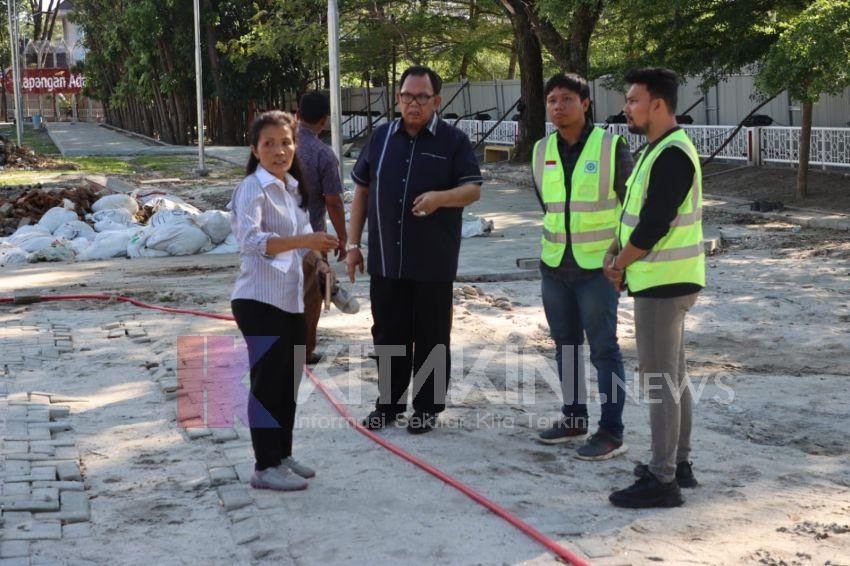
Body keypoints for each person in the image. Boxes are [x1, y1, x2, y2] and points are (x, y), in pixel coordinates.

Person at [346, 65, 483, 434]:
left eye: (422, 97)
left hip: (433, 262)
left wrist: (442, 198)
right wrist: (353, 245)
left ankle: (426, 408)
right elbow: (361, 191)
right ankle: (388, 404)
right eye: (407, 96)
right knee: (387, 335)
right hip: (386, 261)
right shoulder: (380, 138)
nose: (413, 104)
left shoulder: (453, 141)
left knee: (432, 336)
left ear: (436, 101)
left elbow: (473, 188)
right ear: (398, 98)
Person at [605, 68, 705, 508]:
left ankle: (663, 480)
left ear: (658, 104)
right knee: (674, 378)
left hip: (664, 283)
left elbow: (653, 224)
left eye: (633, 100)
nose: (626, 107)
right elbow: (632, 215)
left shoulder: (672, 154)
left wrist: (620, 264)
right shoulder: (655, 150)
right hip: (661, 280)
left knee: (661, 382)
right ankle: (677, 464)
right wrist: (616, 253)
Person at [229, 110, 338, 491]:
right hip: (259, 301)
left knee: (289, 382)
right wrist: (306, 243)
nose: (279, 150)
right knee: (267, 384)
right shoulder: (251, 189)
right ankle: (264, 465)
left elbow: (306, 235)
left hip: (291, 301)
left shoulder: (293, 188)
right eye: (269, 144)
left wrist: (319, 262)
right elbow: (252, 241)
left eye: (286, 142)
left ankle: (283, 453)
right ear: (255, 150)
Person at [531, 73, 634, 460]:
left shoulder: (611, 147)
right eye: (552, 100)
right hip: (555, 266)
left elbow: (632, 207)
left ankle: (611, 431)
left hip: (597, 269)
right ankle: (574, 418)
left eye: (567, 99)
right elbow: (548, 205)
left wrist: (620, 257)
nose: (559, 106)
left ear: (586, 103)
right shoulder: (541, 150)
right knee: (566, 347)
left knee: (604, 349)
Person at [296, 90, 350, 365]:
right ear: (324, 121)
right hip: (309, 237)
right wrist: (342, 238)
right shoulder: (322, 154)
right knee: (310, 296)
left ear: (297, 114)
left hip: (273, 234)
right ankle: (302, 350)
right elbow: (333, 202)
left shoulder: (276, 144)